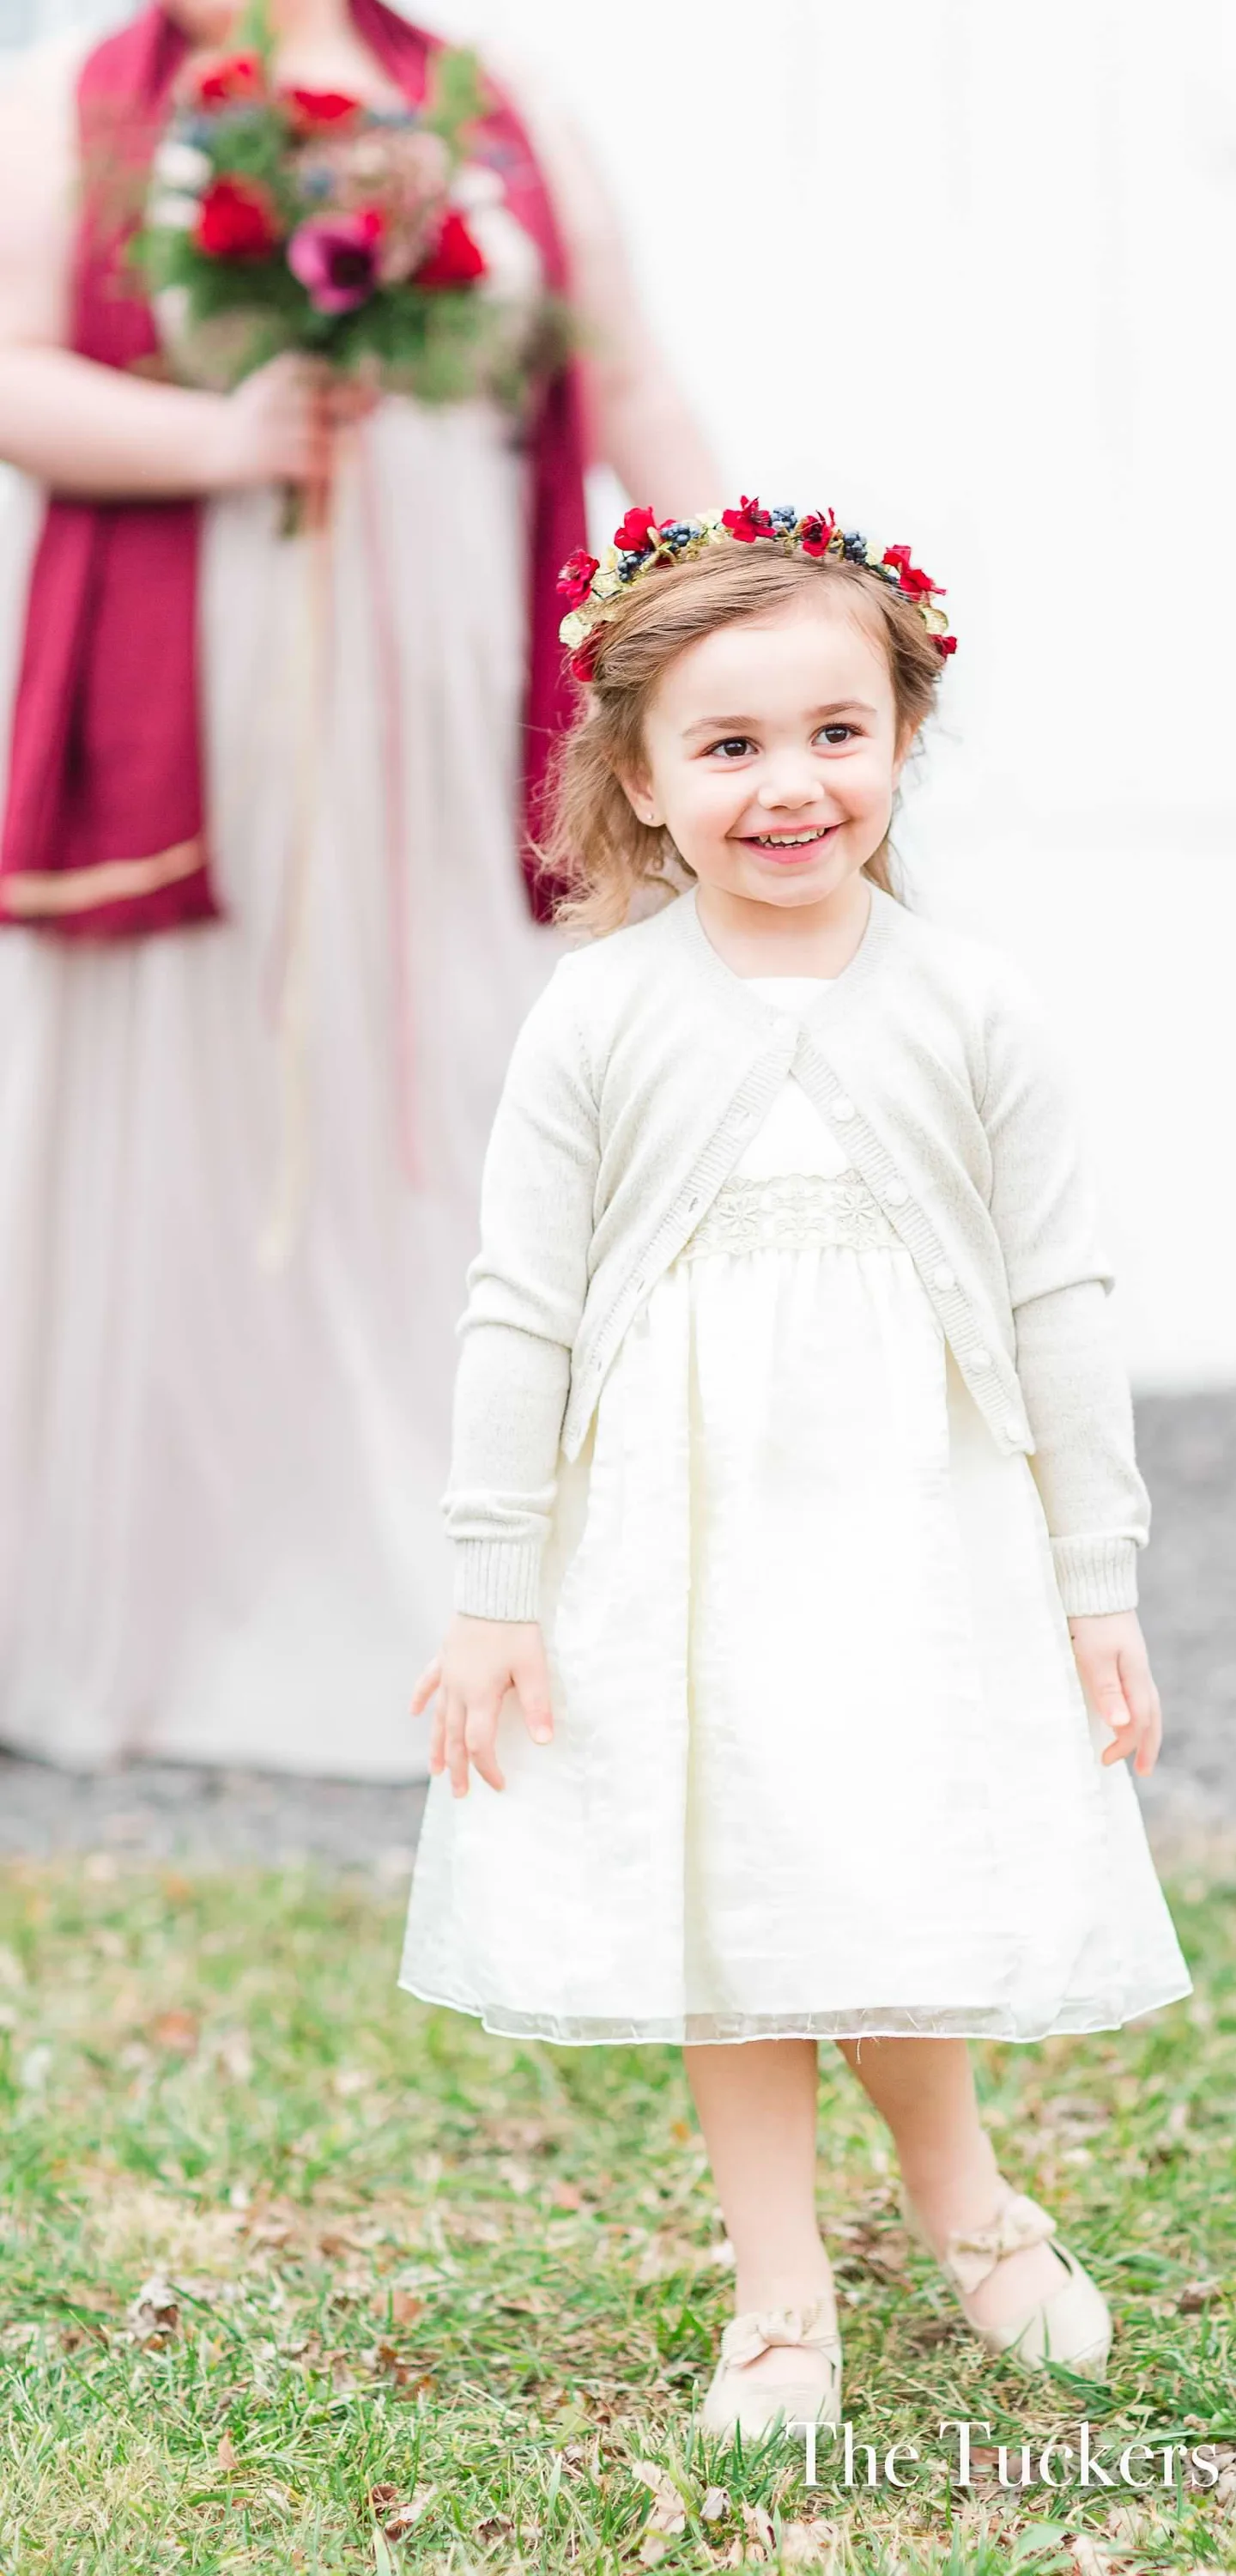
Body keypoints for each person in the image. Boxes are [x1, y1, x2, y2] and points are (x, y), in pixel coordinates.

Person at [398, 501, 1194, 2438]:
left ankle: (964, 2195)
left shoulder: (971, 1004)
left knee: (894, 1863)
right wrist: (495, 1587)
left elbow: (1056, 1302)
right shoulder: (597, 1015)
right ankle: (777, 2292)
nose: (789, 785)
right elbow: (522, 1310)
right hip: (681, 1542)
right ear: (642, 782)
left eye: (835, 732)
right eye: (730, 746)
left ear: (904, 741)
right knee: (728, 1896)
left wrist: (1099, 1579)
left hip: (913, 1534)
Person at [0, 0, 716, 1777]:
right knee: (230, 1074)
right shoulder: (72, 105)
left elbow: (619, 373)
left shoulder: (489, 99)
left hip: (459, 647)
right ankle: (179, 1603)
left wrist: (743, 598)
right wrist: (223, 438)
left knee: (475, 1059)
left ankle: (472, 1564)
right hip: (224, 654)